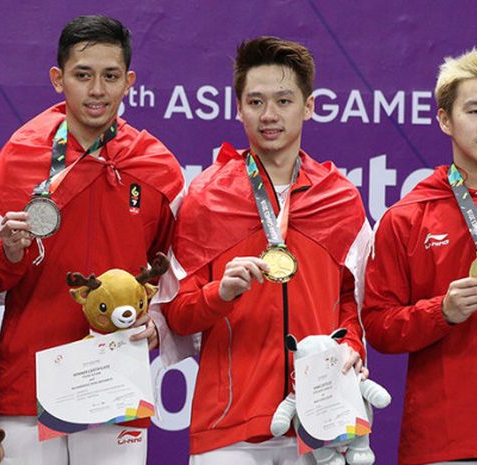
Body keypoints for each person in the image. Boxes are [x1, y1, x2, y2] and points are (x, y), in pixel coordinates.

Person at [159, 36, 371, 465]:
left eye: (284, 101)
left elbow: (353, 302)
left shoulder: (340, 198)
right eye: (255, 102)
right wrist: (220, 292)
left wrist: (352, 346)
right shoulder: (205, 197)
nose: (269, 115)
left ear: (308, 106)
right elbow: (177, 314)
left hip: (321, 421)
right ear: (238, 108)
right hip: (229, 428)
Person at [0, 15, 184, 465]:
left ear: (129, 81)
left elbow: (175, 274)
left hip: (117, 387)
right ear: (58, 79)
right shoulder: (20, 157)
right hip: (28, 385)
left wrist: (159, 322)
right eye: (82, 75)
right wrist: (9, 253)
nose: (97, 90)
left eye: (110, 76)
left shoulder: (157, 168)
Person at [362, 47, 477, 465]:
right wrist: (440, 312)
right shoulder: (407, 216)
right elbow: (377, 325)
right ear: (445, 119)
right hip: (440, 445)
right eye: (475, 110)